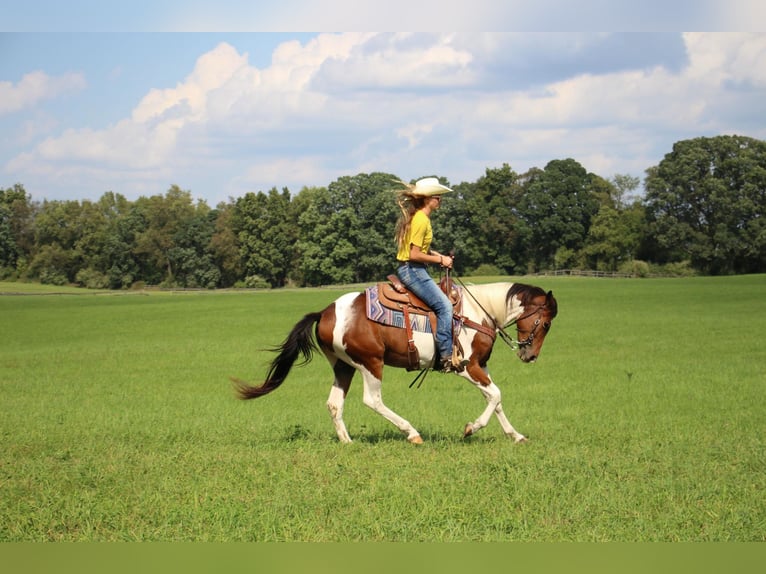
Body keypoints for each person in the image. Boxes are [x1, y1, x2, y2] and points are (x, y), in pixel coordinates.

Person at [394, 177, 463, 373]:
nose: (440, 199)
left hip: (414, 268)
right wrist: (442, 261)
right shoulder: (421, 220)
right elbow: (414, 254)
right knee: (444, 306)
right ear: (427, 199)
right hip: (413, 270)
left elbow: (421, 249)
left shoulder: (420, 218)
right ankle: (446, 356)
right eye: (437, 196)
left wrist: (438, 255)